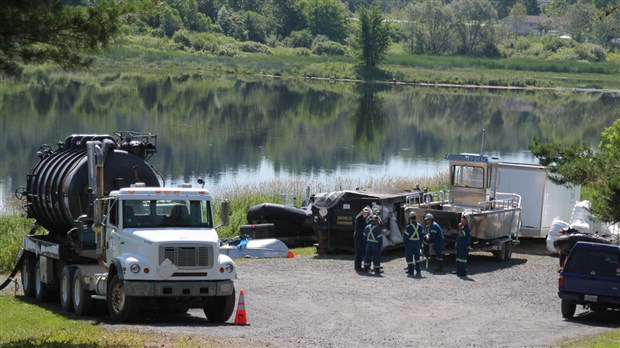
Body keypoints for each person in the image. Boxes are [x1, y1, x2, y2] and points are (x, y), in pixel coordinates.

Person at [404, 211, 425, 277]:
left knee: (409, 258)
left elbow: (405, 237)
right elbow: (422, 235)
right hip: (417, 243)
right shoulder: (420, 226)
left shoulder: (409, 227)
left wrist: (406, 243)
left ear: (410, 218)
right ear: (415, 217)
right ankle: (418, 271)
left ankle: (411, 271)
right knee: (417, 258)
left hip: (410, 243)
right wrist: (420, 242)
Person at [353, 207, 372, 272]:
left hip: (360, 237)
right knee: (358, 252)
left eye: (367, 213)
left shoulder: (362, 217)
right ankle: (357, 267)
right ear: (362, 212)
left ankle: (360, 266)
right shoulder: (359, 218)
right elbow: (361, 229)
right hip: (358, 237)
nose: (366, 214)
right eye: (365, 212)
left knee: (361, 252)